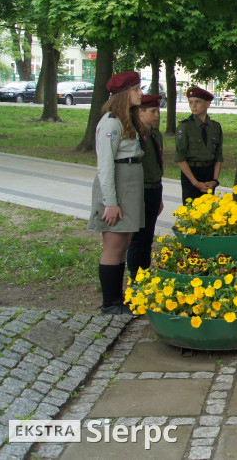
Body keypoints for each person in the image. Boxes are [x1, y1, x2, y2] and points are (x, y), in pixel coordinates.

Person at [88, 71, 144, 314]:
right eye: (135, 90)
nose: (140, 93)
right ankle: (110, 304)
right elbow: (106, 165)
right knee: (113, 246)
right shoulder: (111, 122)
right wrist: (110, 202)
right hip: (117, 189)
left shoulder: (126, 120)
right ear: (123, 94)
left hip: (129, 188)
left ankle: (117, 300)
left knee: (123, 246)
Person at [127, 93, 163, 281]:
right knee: (138, 237)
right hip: (139, 190)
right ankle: (135, 276)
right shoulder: (133, 135)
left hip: (154, 189)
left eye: (157, 110)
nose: (157, 115)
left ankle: (145, 273)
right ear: (140, 112)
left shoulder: (155, 134)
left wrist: (160, 195)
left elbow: (157, 166)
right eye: (153, 111)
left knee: (148, 235)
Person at [175, 87, 223, 203]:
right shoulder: (185, 126)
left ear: (207, 103)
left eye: (198, 102)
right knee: (190, 214)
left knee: (209, 214)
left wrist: (215, 180)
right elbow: (180, 157)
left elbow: (218, 156)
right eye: (191, 102)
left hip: (209, 173)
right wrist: (195, 182)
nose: (193, 106)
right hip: (191, 173)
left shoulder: (215, 127)